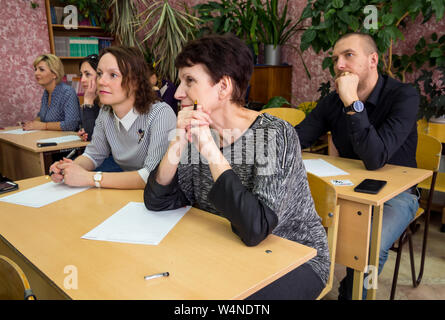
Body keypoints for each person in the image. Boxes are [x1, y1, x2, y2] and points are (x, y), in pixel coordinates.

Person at [143, 34, 330, 299]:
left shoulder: (275, 135)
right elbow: (158, 201)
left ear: (223, 87)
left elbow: (255, 229)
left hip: (294, 258)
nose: (177, 92)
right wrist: (177, 141)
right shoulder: (196, 131)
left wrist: (210, 150)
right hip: (225, 249)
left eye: (190, 81)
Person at [295, 32, 420, 300]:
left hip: (396, 195)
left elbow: (375, 159)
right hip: (344, 188)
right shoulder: (332, 100)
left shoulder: (404, 96)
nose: (339, 65)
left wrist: (353, 103)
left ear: (373, 60)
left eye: (348, 55)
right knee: (286, 225)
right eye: (336, 58)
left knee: (369, 248)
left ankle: (352, 295)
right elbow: (297, 138)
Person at [49, 46, 176, 189]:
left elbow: (151, 176)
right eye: (100, 73)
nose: (101, 81)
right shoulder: (105, 113)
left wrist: (91, 178)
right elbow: (93, 154)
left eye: (113, 75)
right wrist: (69, 168)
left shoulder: (160, 113)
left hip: (161, 199)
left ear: (135, 82)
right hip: (130, 195)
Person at [77, 54, 122, 172]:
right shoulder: (97, 101)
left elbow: (91, 135)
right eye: (81, 75)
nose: (82, 80)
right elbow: (91, 135)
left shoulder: (110, 100)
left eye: (88, 74)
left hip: (116, 160)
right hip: (101, 156)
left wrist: (87, 101)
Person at [23, 54, 80, 131]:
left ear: (54, 74)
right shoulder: (46, 92)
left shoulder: (68, 92)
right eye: (35, 69)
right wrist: (32, 124)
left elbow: (71, 124)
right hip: (49, 136)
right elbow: (42, 116)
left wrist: (44, 126)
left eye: (41, 69)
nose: (36, 73)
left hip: (65, 140)